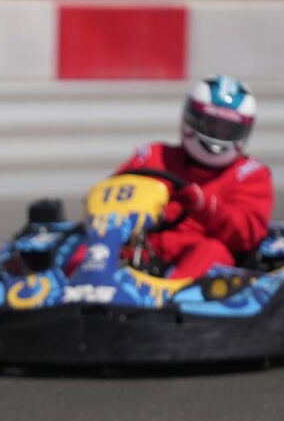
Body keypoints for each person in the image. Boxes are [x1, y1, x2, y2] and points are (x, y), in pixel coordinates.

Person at [71, 75, 273, 280]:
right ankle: (70, 286)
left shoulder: (250, 174)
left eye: (227, 129)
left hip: (193, 264)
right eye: (210, 124)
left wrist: (206, 207)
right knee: (92, 243)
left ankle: (170, 298)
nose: (216, 135)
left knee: (214, 251)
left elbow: (247, 236)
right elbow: (112, 195)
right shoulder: (153, 155)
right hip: (142, 251)